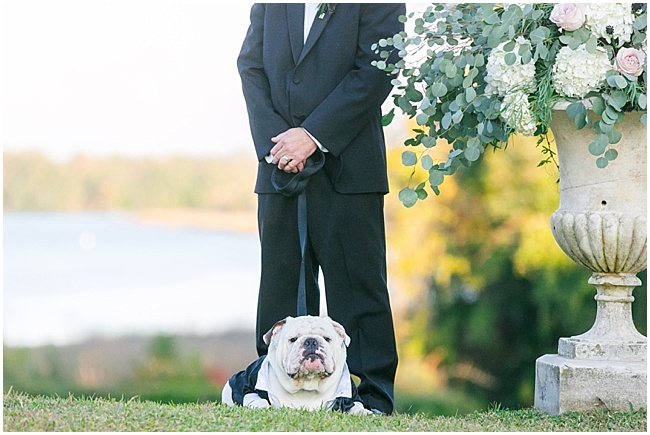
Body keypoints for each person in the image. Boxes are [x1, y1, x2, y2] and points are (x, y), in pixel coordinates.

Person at [237, 3, 405, 415]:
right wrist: (281, 144)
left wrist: (312, 135)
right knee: (281, 283)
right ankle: (278, 395)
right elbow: (251, 66)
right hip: (280, 166)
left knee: (359, 286)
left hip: (350, 168)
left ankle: (370, 401)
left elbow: (377, 70)